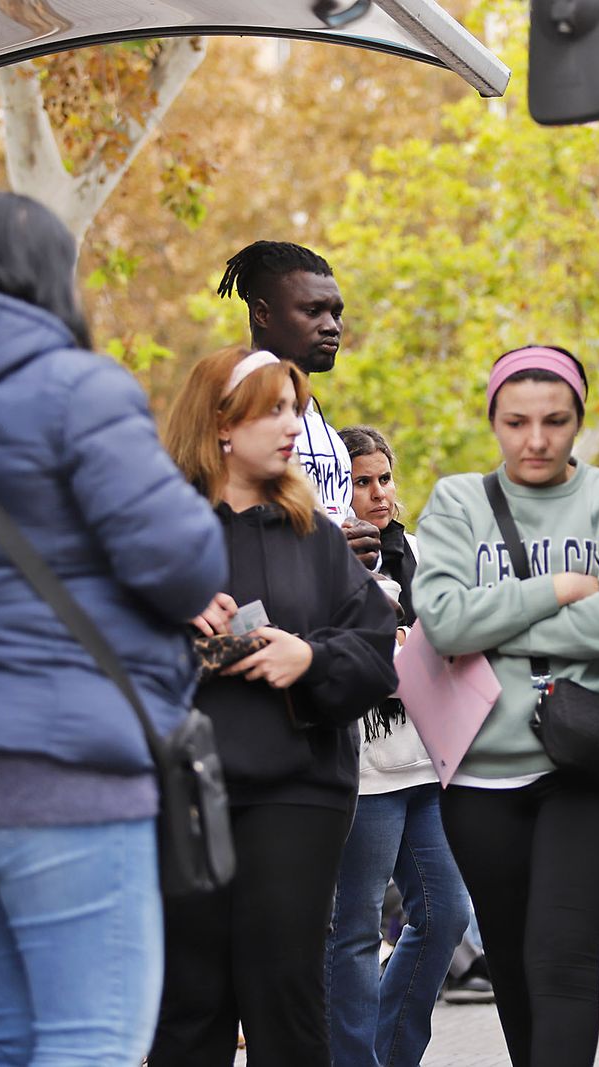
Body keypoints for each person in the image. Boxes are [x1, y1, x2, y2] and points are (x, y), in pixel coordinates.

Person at [0, 192, 227, 1065]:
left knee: (4, 1038)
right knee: (93, 1042)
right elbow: (185, 563)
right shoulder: (75, 388)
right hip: (63, 774)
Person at [150, 348, 399, 1067]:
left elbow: (376, 650)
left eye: (296, 406)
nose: (294, 424)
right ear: (222, 424)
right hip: (184, 791)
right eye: (273, 409)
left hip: (298, 791)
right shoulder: (157, 532)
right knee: (189, 1004)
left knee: (284, 999)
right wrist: (174, 612)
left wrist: (309, 657)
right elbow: (98, 640)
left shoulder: (313, 533)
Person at [414, 345, 599, 1067]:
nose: (536, 439)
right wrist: (558, 588)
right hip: (482, 778)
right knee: (516, 971)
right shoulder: (459, 501)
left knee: (561, 959)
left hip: (587, 766)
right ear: (494, 420)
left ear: (579, 419)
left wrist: (497, 625)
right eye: (516, 422)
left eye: (555, 420)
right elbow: (445, 622)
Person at [325, 426, 472, 1067]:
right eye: (361, 481)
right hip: (364, 768)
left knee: (446, 915)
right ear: (336, 486)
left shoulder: (415, 550)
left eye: (385, 478)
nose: (378, 493)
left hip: (427, 755)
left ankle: (392, 1053)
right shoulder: (324, 559)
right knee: (353, 932)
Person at [217, 240, 381, 568]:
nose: (331, 326)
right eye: (312, 311)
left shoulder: (328, 437)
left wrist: (366, 548)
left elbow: (338, 529)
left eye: (336, 313)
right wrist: (327, 550)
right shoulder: (233, 422)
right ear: (262, 314)